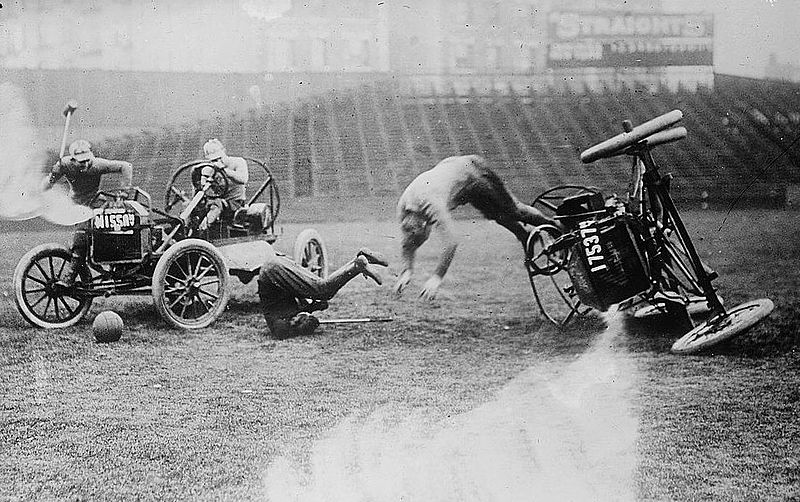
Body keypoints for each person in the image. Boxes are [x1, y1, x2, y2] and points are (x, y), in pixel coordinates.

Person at [394, 154, 558, 301]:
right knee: (496, 216)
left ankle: (555, 227)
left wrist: (436, 277)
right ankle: (525, 235)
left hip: (473, 173)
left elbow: (451, 242)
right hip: (458, 180)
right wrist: (407, 270)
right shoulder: (404, 209)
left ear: (424, 224)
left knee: (514, 211)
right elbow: (408, 243)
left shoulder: (429, 203)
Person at [42, 139, 133, 286]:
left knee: (109, 228)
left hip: (95, 202)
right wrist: (52, 177)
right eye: (80, 161)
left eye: (87, 160)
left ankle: (117, 264)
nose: (85, 164)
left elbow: (126, 166)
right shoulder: (64, 164)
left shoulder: (97, 164)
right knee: (82, 235)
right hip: (76, 204)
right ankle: (70, 276)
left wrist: (124, 193)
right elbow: (46, 185)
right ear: (73, 159)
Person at [258, 246, 389, 339]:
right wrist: (314, 307)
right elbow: (299, 306)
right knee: (322, 286)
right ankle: (361, 257)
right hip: (275, 268)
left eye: (298, 320)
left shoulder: (279, 328)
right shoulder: (286, 315)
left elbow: (286, 327)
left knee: (323, 290)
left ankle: (356, 266)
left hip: (272, 273)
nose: (300, 317)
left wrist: (307, 317)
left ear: (293, 322)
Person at [198, 138, 249, 230]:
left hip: (235, 204)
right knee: (194, 206)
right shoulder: (208, 168)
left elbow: (243, 179)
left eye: (219, 158)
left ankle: (203, 230)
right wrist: (205, 177)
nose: (217, 162)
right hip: (214, 201)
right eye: (213, 160)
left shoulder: (238, 162)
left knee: (216, 205)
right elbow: (201, 188)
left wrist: (224, 170)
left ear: (224, 151)